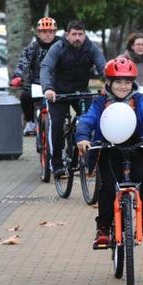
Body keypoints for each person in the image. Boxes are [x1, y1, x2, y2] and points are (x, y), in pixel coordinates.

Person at [75, 57, 143, 248]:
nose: (123, 86)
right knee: (106, 188)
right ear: (109, 83)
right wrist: (82, 137)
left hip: (135, 146)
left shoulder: (137, 100)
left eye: (127, 82)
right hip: (108, 147)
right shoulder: (100, 101)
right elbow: (87, 119)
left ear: (133, 83)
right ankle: (103, 228)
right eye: (118, 82)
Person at [40, 20, 107, 178]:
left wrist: (109, 84)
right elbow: (46, 68)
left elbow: (103, 67)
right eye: (74, 34)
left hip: (81, 92)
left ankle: (87, 160)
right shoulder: (58, 48)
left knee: (93, 121)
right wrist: (48, 88)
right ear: (67, 35)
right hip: (58, 93)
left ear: (84, 35)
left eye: (80, 34)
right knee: (56, 125)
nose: (77, 38)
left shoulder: (91, 48)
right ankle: (56, 164)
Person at [10, 17, 58, 136]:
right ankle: (31, 121)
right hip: (37, 84)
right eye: (44, 32)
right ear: (38, 33)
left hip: (56, 84)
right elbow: (23, 62)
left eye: (50, 31)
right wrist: (17, 76)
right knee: (25, 96)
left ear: (55, 32)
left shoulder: (61, 45)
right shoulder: (33, 47)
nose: (47, 35)